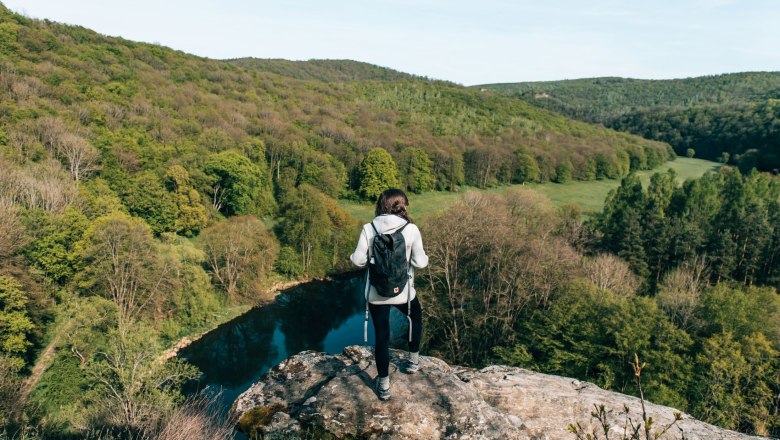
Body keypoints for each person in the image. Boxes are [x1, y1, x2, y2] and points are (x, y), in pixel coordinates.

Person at [350, 188, 428, 401]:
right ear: (403, 205)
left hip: (376, 293)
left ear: (381, 205)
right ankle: (413, 361)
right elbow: (420, 262)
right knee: (415, 318)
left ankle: (383, 385)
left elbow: (358, 261)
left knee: (382, 336)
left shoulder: (369, 228)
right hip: (404, 291)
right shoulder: (411, 229)